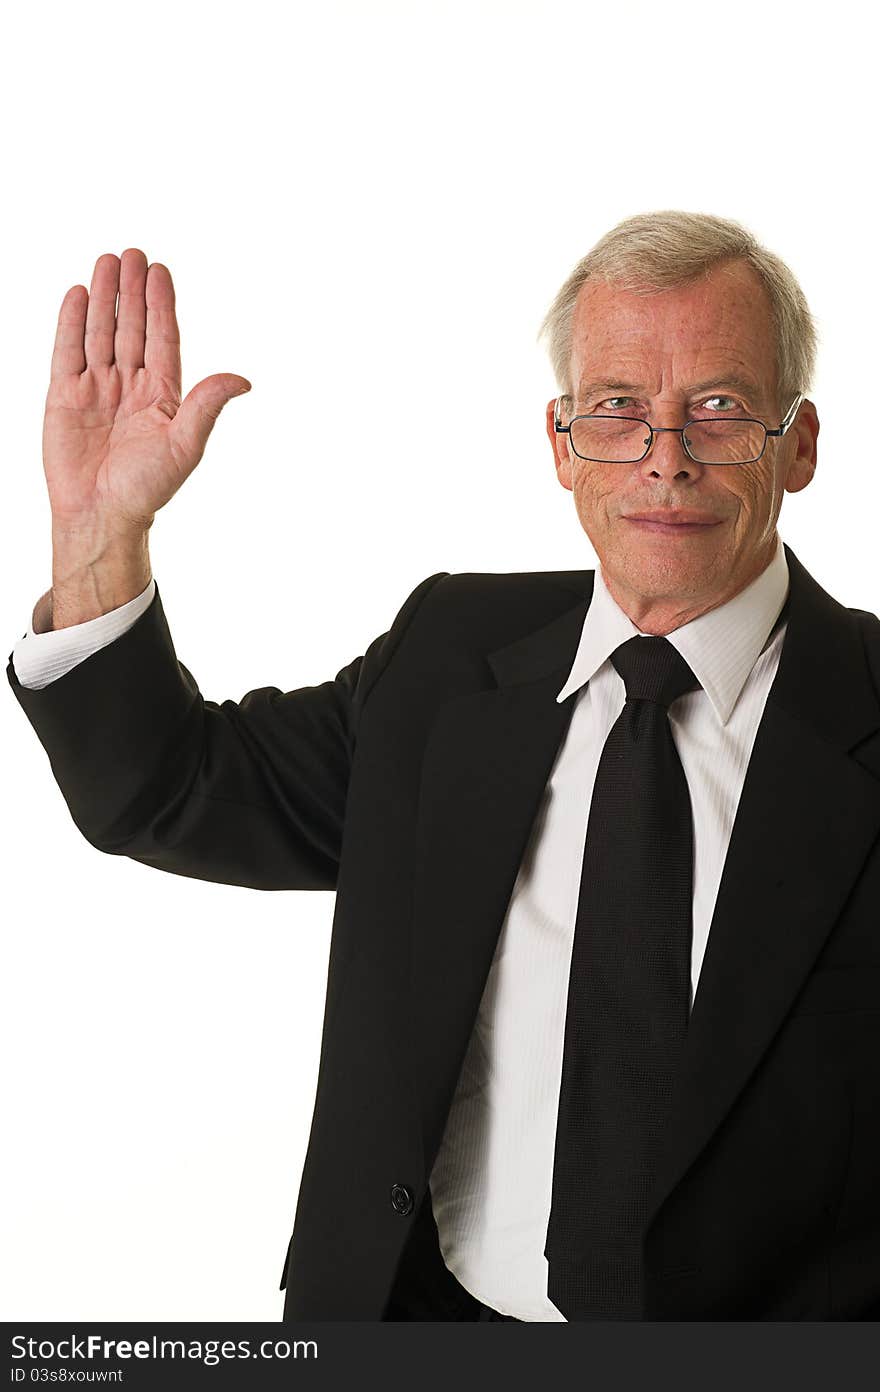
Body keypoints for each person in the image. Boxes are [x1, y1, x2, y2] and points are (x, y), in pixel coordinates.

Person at [7, 211, 880, 1322]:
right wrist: (97, 538)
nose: (665, 454)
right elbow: (165, 791)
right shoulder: (447, 660)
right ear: (561, 444)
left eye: (718, 405)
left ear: (797, 443)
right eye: (617, 408)